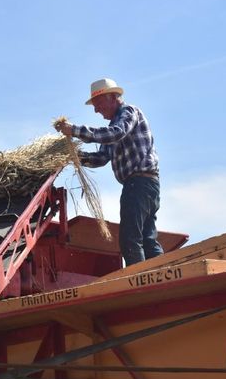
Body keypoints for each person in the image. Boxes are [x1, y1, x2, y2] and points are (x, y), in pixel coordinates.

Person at [55, 78, 163, 266]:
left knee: (130, 240)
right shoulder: (116, 123)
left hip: (139, 183)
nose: (96, 110)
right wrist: (74, 156)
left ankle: (139, 280)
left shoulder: (129, 113)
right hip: (142, 185)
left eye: (98, 104)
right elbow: (101, 158)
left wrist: (75, 131)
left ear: (113, 97)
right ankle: (163, 278)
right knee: (147, 239)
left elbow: (115, 133)